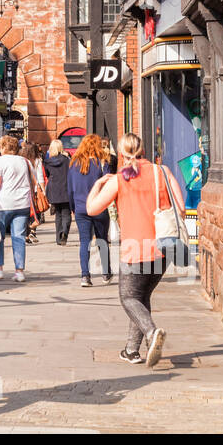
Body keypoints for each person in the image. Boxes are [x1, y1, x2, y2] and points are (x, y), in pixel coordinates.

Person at [86, 133, 186, 365]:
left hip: (135, 250)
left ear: (121, 154)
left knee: (128, 297)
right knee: (141, 297)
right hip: (164, 248)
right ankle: (131, 351)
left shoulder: (119, 180)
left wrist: (97, 184)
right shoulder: (162, 172)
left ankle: (152, 334)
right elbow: (180, 208)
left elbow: (91, 209)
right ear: (143, 150)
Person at [0, 135, 34, 282]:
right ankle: (19, 272)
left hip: (2, 204)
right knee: (19, 237)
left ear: (4, 147)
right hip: (22, 204)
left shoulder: (0, 161)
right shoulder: (25, 162)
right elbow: (33, 181)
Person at [68, 134, 112, 286]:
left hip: (81, 208)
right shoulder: (102, 163)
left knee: (84, 242)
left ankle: (85, 276)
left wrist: (73, 207)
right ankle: (106, 273)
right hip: (99, 207)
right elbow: (108, 185)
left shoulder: (74, 164)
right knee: (102, 240)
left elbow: (70, 189)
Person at [44, 139, 73, 246]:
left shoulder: (48, 162)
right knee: (66, 213)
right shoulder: (67, 160)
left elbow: (47, 175)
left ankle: (58, 238)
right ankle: (64, 232)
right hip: (65, 188)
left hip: (53, 189)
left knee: (58, 215)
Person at [22, 141, 45, 245]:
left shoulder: (22, 160)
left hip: (23, 190)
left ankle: (26, 233)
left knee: (26, 213)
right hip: (34, 190)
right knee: (36, 212)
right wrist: (43, 191)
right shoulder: (37, 161)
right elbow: (40, 177)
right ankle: (32, 231)